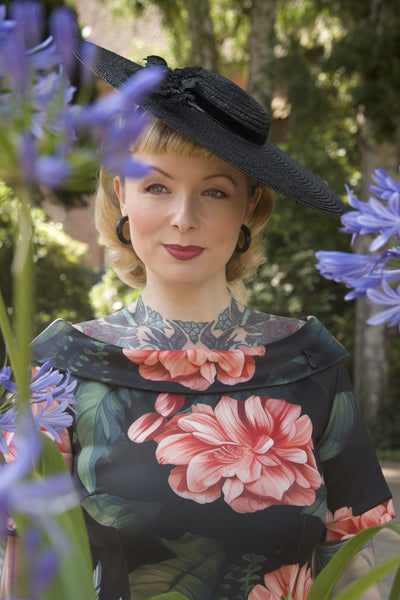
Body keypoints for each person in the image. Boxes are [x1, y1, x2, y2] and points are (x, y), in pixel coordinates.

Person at [29, 43, 395, 600]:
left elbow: (355, 570)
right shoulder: (56, 373)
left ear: (250, 205)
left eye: (215, 192)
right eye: (157, 186)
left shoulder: (312, 366)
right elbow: (22, 576)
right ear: (120, 193)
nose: (183, 218)